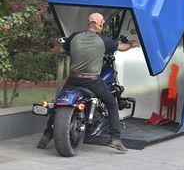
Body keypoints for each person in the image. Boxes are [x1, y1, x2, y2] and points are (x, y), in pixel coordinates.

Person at [37, 12, 138, 152]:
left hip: (74, 79)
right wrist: (132, 44)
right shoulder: (103, 41)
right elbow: (122, 47)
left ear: (89, 23)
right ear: (99, 25)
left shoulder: (74, 37)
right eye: (102, 23)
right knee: (111, 104)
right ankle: (115, 139)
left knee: (58, 103)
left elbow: (61, 49)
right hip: (92, 81)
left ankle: (47, 136)